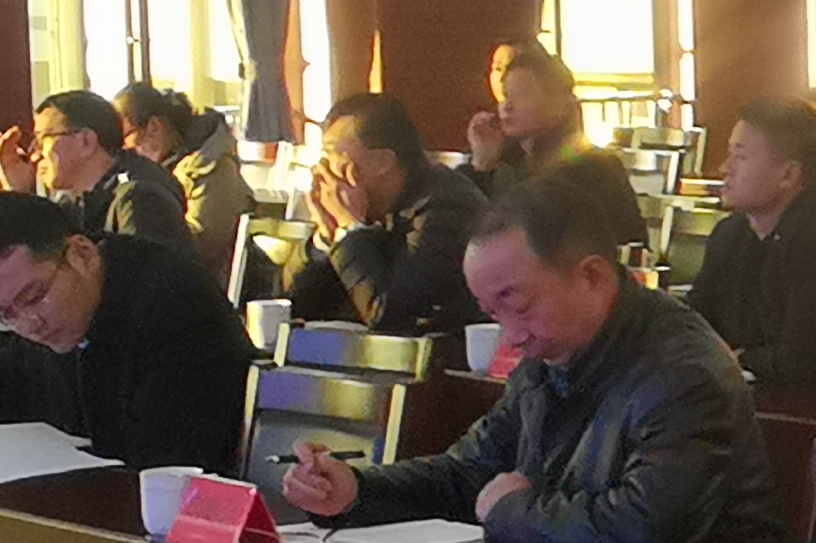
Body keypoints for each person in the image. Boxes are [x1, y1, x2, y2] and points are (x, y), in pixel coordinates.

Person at [279, 166, 796, 543]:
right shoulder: (547, 360)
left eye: (517, 304)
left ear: (591, 276)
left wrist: (512, 513)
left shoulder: (683, 374)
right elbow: (469, 473)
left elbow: (643, 527)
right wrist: (357, 491)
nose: (510, 336)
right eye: (492, 313)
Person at [0, 192, 256, 472]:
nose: (28, 324)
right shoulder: (53, 317)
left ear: (82, 254)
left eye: (34, 297)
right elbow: (12, 372)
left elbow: (168, 465)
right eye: (5, 314)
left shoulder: (173, 305)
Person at [685, 96, 816, 394]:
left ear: (789, 175)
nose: (725, 168)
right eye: (730, 154)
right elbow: (695, 322)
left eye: (741, 157)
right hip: (745, 397)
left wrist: (734, 359)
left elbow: (804, 359)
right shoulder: (731, 233)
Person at [288, 92, 484, 335]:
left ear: (383, 161)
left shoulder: (446, 206)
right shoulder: (366, 209)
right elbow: (291, 305)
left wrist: (350, 231)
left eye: (333, 155)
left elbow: (391, 315)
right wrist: (326, 238)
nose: (322, 170)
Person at [0, 89, 190, 251]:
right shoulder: (73, 203)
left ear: (86, 141)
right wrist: (17, 192)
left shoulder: (139, 199)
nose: (34, 155)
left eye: (42, 139)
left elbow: (145, 279)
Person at [117, 82, 250, 281]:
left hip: (204, 285)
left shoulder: (211, 167)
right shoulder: (161, 168)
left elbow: (205, 245)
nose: (123, 150)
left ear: (154, 127)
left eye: (125, 137)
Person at [458, 42, 590, 198]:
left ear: (559, 104)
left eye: (520, 95)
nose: (507, 106)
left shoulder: (586, 170)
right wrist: (481, 163)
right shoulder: (504, 165)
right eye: (506, 95)